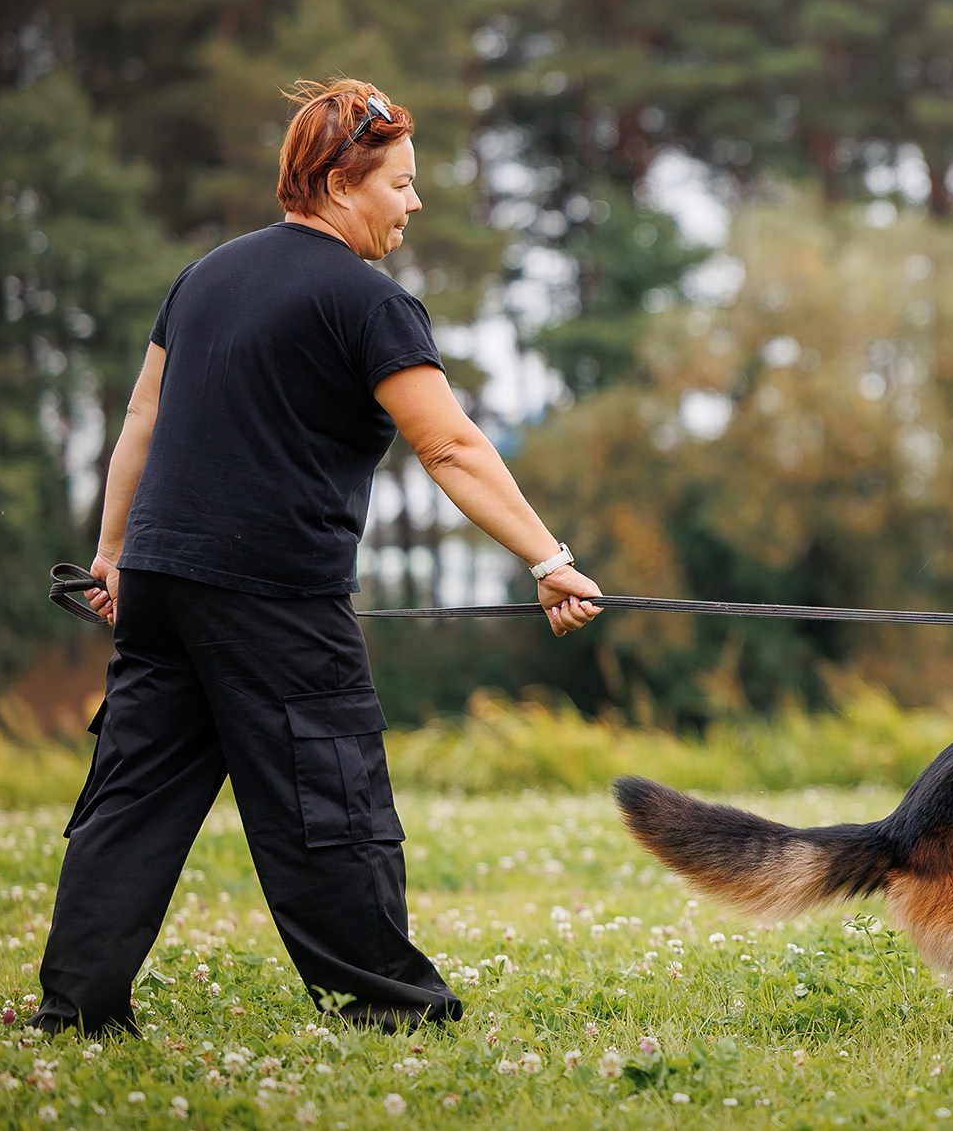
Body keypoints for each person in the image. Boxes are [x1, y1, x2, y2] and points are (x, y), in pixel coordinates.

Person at [31, 79, 603, 1036]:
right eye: (402, 184)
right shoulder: (369, 301)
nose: (414, 203)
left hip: (164, 587)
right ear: (342, 182)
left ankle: (77, 1008)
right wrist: (549, 558)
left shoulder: (205, 275)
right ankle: (391, 1008)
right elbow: (451, 446)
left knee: (132, 794)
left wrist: (115, 556)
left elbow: (141, 416)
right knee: (328, 793)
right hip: (276, 595)